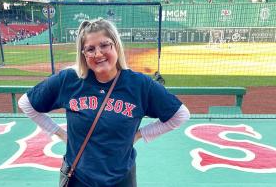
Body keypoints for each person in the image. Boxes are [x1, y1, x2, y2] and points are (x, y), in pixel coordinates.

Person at [18, 19, 190, 187]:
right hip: (78, 177)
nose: (98, 54)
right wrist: (60, 133)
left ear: (116, 45)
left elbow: (180, 115)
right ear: (83, 54)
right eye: (90, 49)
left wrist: (139, 135)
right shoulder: (70, 79)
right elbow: (26, 103)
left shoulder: (139, 85)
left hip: (121, 178)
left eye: (104, 45)